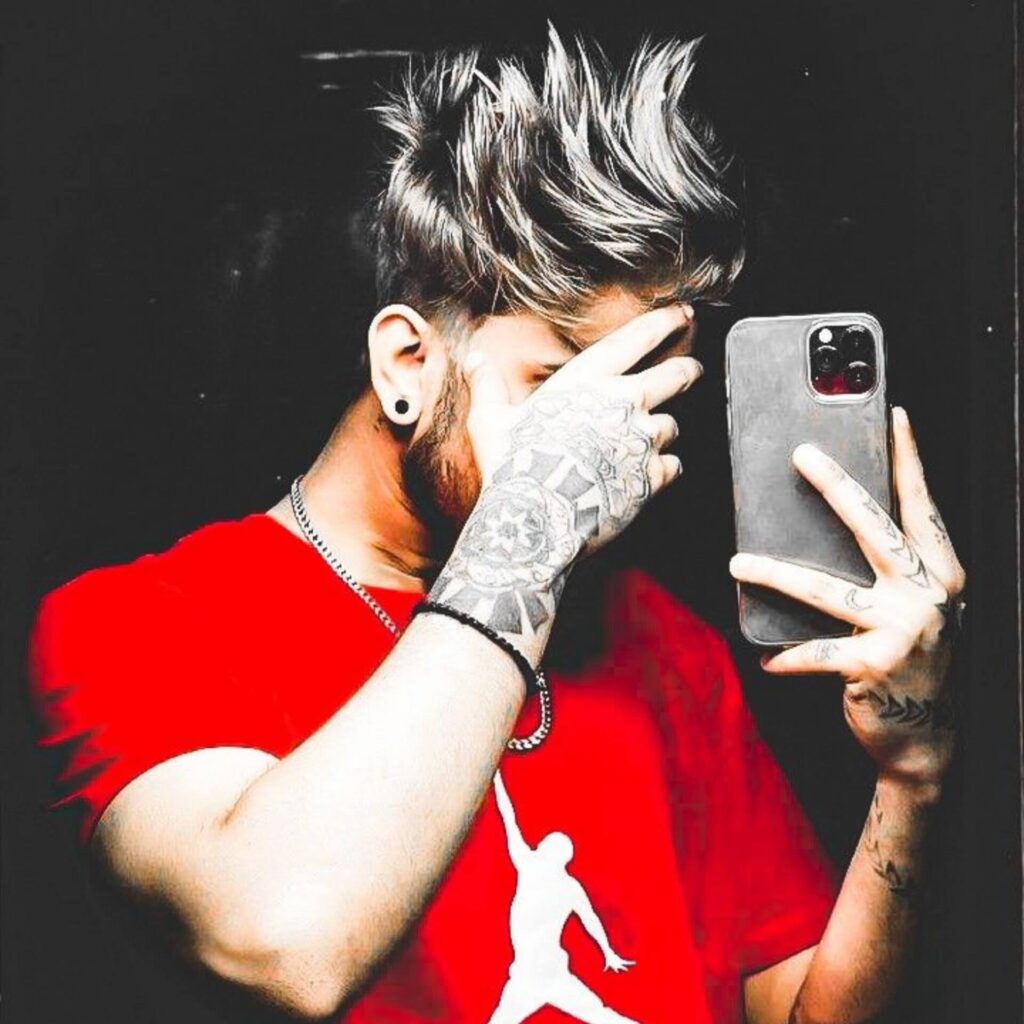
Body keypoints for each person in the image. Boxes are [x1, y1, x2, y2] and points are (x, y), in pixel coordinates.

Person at [27, 27, 966, 1024]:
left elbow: (802, 1014)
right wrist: (535, 516)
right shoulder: (139, 622)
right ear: (406, 365)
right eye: (560, 391)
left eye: (637, 397)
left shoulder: (663, 642)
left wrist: (910, 776)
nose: (611, 450)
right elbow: (283, 940)